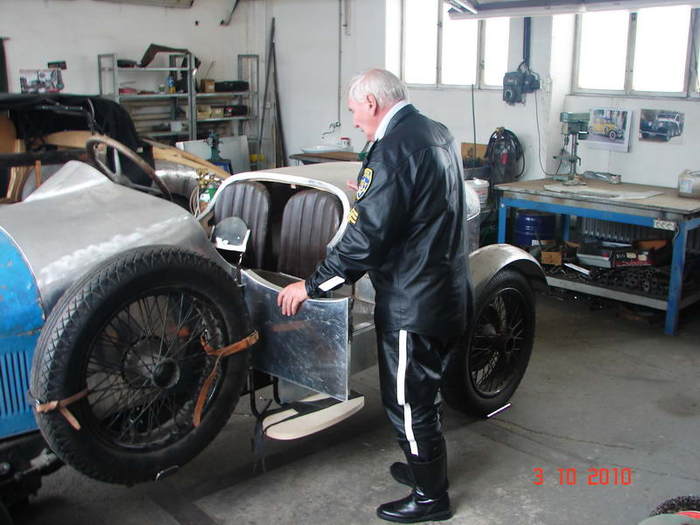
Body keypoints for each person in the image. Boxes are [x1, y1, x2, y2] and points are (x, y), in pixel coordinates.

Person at [277, 68, 468, 523]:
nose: (354, 120)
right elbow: (423, 198)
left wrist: (312, 284)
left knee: (407, 401)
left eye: (354, 111)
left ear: (371, 102)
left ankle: (431, 498)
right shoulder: (433, 132)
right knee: (422, 391)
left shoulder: (395, 147)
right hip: (444, 287)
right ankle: (425, 469)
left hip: (411, 300)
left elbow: (365, 242)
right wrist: (374, 191)